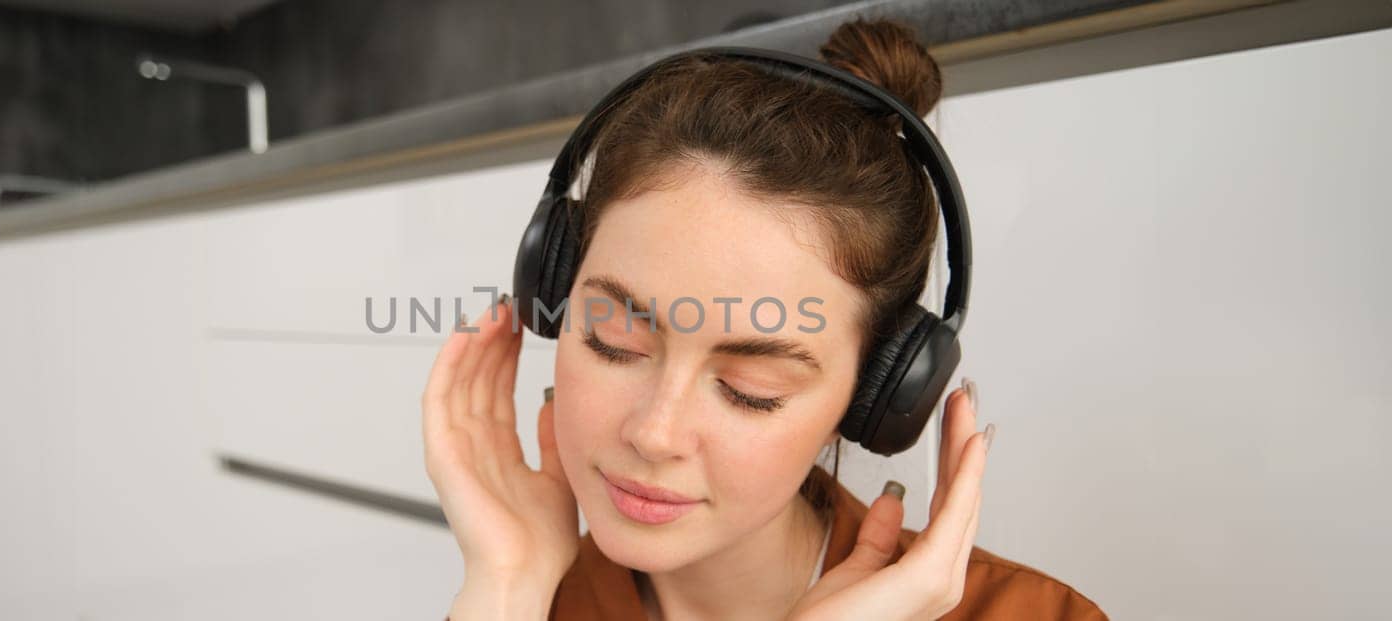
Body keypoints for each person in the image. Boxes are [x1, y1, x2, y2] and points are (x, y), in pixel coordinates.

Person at [422, 16, 1106, 621]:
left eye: (752, 388)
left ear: (875, 396)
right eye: (613, 340)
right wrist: (505, 588)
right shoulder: (533, 601)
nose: (655, 434)